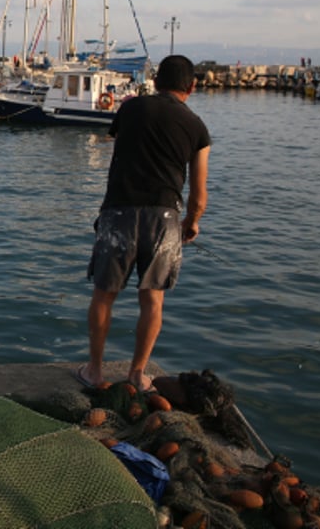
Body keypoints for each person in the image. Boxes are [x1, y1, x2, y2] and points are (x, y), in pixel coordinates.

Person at [78, 54, 211, 393]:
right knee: (152, 300)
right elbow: (198, 194)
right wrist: (191, 223)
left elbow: (119, 150)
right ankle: (137, 373)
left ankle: (94, 371)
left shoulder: (130, 108)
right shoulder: (197, 127)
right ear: (192, 87)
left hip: (118, 211)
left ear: (155, 81)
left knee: (104, 295)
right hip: (164, 217)